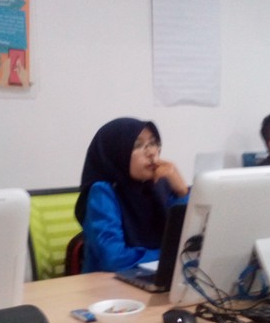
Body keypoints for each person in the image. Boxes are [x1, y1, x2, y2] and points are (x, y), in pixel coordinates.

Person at [75, 117, 189, 273]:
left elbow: (190, 239)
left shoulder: (160, 184)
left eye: (153, 143)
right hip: (107, 283)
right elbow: (114, 259)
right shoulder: (103, 192)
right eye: (138, 145)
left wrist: (182, 192)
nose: (151, 152)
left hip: (155, 276)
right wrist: (170, 256)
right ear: (116, 152)